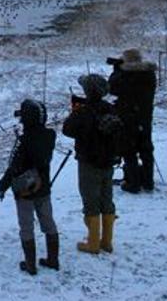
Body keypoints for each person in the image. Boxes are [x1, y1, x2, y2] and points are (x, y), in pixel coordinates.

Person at [0, 98, 60, 275]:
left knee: (26, 226)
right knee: (48, 222)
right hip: (44, 187)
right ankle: (53, 259)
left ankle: (30, 265)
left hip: (24, 190)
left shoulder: (24, 142)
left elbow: (14, 168)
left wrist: (2, 186)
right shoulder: (50, 136)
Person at [61, 74, 118, 255]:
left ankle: (93, 243)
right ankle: (106, 242)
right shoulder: (110, 109)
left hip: (88, 161)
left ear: (88, 91)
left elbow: (67, 130)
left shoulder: (83, 111)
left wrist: (75, 111)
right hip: (108, 161)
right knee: (106, 198)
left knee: (90, 199)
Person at [108, 48, 157, 193]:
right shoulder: (149, 74)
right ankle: (148, 182)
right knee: (146, 149)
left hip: (127, 117)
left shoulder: (124, 76)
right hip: (145, 116)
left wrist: (117, 69)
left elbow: (112, 88)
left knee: (129, 150)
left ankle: (133, 183)